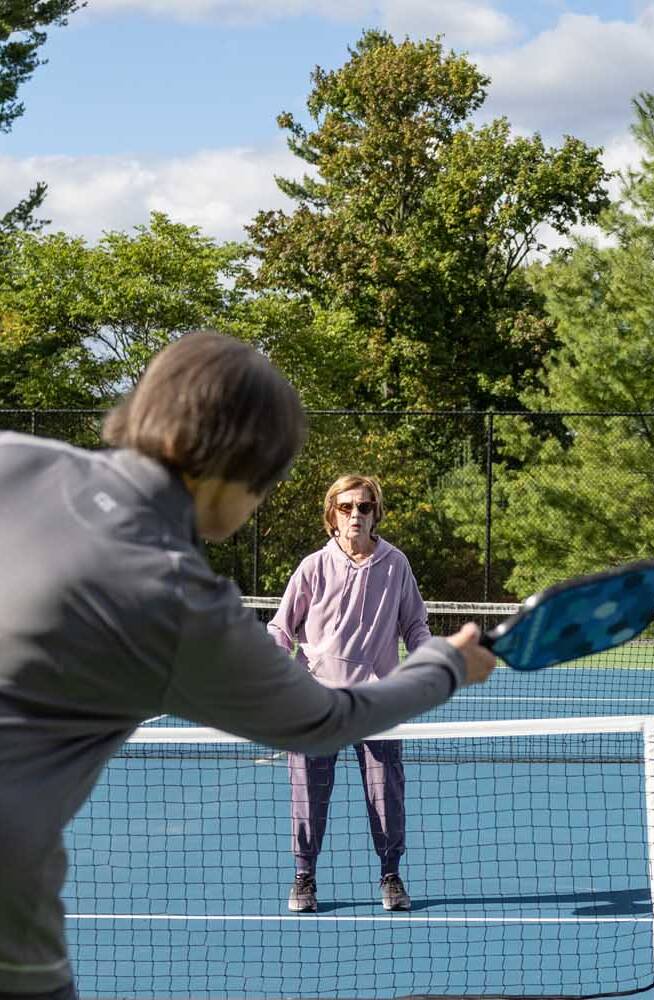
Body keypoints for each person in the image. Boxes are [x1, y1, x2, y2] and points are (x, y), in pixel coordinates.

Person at [0, 331, 496, 1000]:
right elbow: (323, 721)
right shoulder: (176, 598)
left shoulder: (14, 455)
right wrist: (448, 665)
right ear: (243, 471)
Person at [268, 474, 434, 913]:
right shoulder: (312, 567)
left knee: (386, 794)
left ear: (376, 513)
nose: (356, 515)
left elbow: (415, 625)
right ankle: (304, 877)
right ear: (332, 516)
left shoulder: (396, 565)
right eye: (346, 507)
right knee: (308, 794)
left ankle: (391, 876)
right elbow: (282, 629)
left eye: (364, 507)